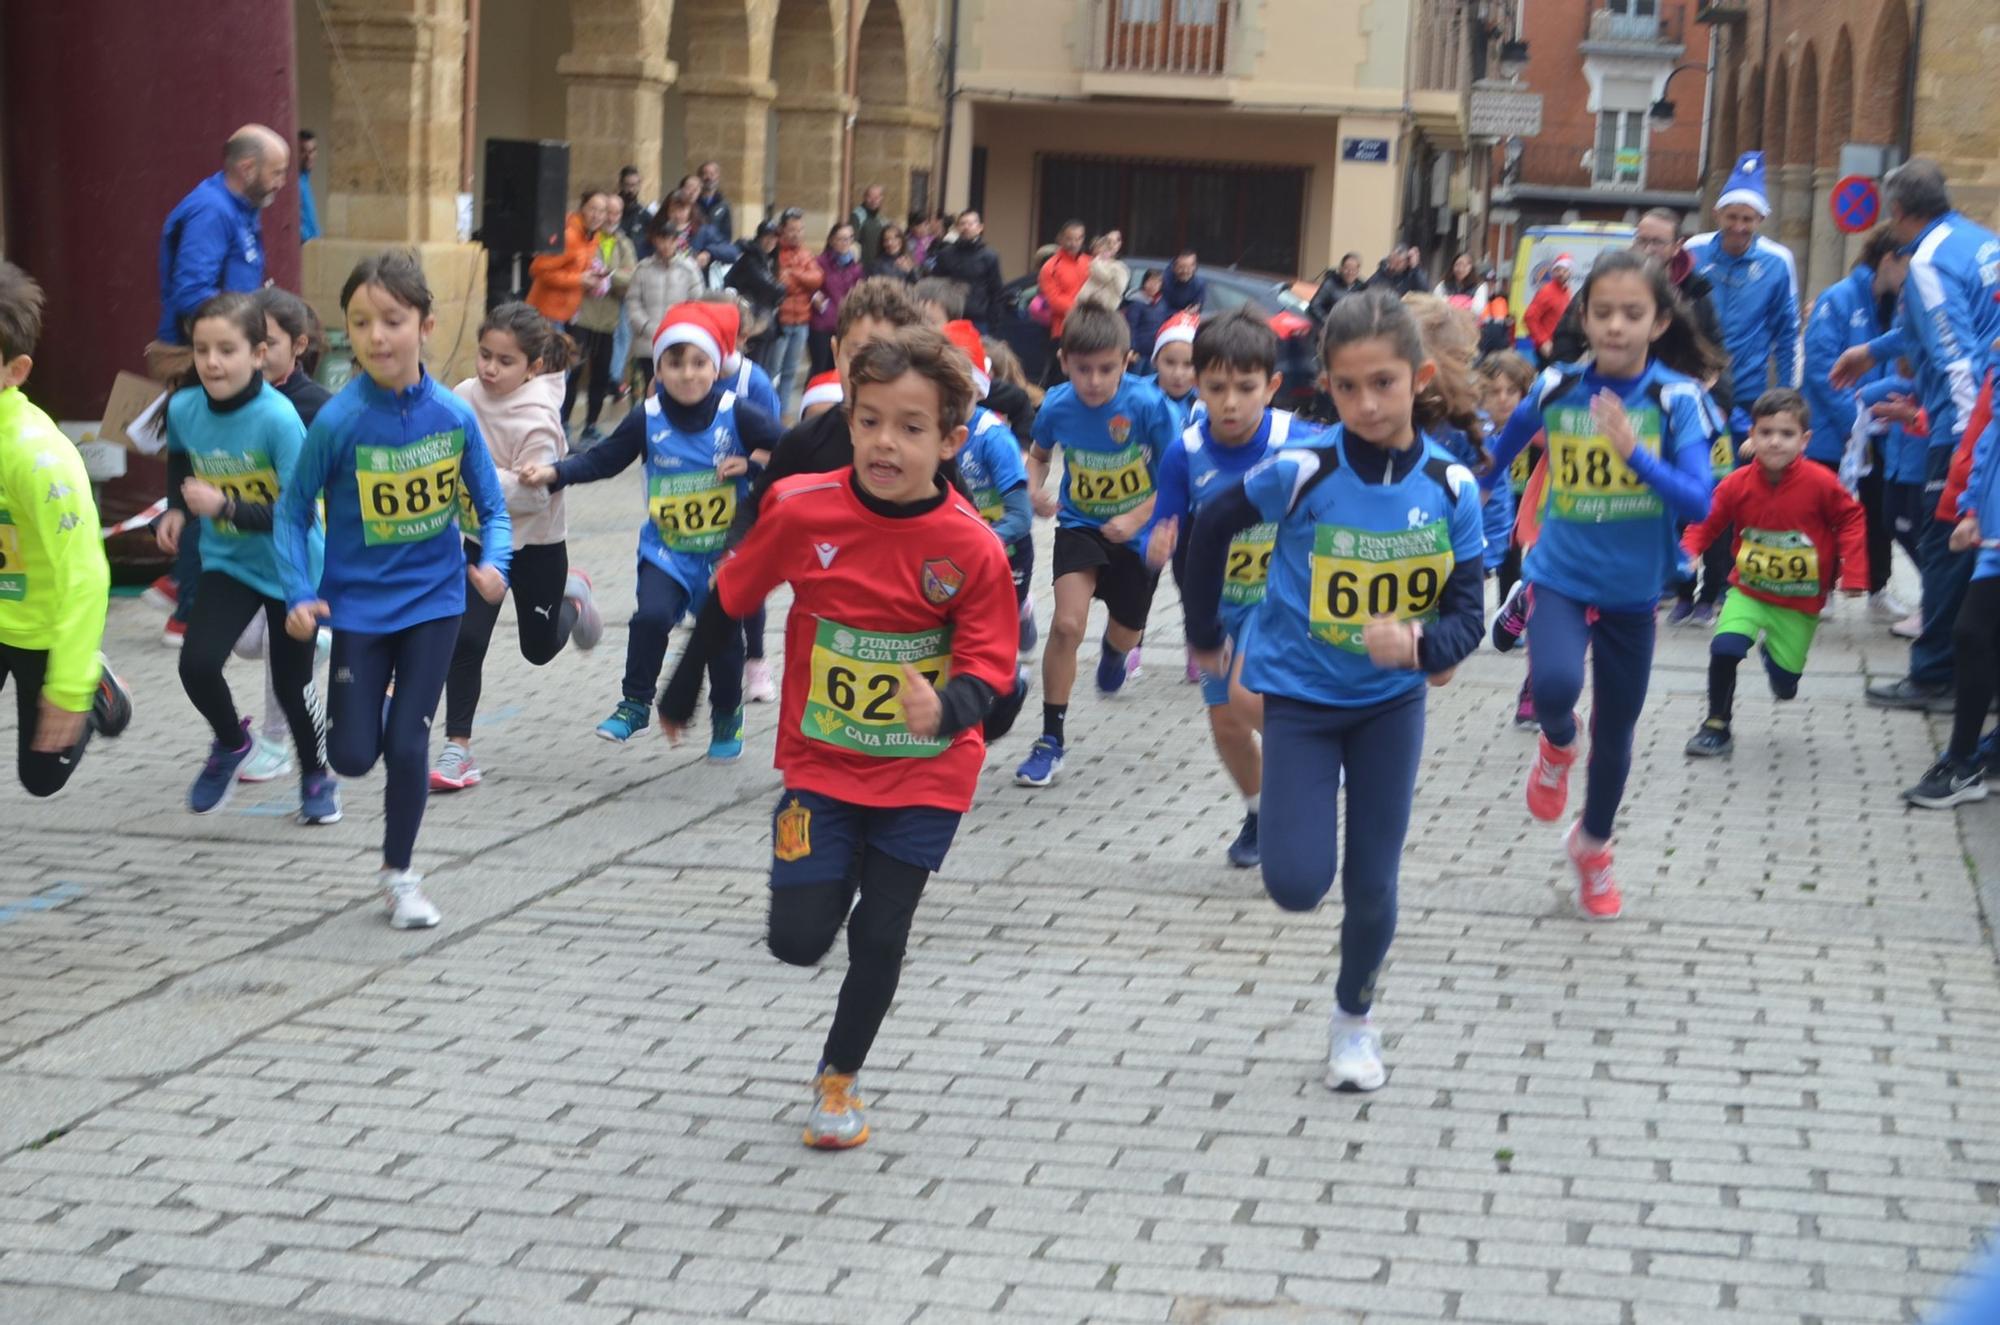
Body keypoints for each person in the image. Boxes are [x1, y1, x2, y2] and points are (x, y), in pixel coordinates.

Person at [657, 328, 1016, 1149]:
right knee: (797, 939)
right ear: (849, 421)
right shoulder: (801, 507)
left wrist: (950, 705)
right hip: (823, 761)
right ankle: (828, 853)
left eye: (912, 426)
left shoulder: (969, 545)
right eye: (870, 420)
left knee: (881, 932)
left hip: (927, 770)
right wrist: (679, 690)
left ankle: (839, 1078)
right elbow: (731, 593)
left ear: (951, 440)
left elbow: (993, 663)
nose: (886, 442)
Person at [1181, 289, 1485, 1091]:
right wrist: (1207, 630)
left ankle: (1355, 1018)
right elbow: (1211, 526)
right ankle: (1289, 821)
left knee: (1373, 881)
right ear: (1326, 386)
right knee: (1294, 883)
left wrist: (1423, 643)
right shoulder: (1303, 469)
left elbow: (1468, 615)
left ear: (1418, 378)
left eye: (1383, 383)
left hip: (1389, 706)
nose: (1365, 403)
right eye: (1347, 388)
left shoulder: (1453, 486)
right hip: (1303, 702)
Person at [1481, 250, 1725, 920]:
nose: (1617, 326)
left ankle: (1592, 846)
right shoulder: (1558, 385)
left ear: (1658, 321)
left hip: (1633, 590)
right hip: (1558, 571)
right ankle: (1558, 741)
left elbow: (1701, 501)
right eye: (1604, 312)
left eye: (1633, 313)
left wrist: (1634, 453)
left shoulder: (1679, 400)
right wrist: (1475, 476)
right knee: (1556, 687)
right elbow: (1507, 443)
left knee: (1617, 732)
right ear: (1583, 317)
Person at [275, 250, 513, 930]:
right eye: (360, 322)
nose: (377, 336)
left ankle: (400, 874)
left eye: (393, 320)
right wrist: (297, 592)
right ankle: (378, 701)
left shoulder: (452, 414)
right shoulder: (339, 421)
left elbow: (492, 508)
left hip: (437, 600)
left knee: (408, 744)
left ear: (427, 325)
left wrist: (496, 563)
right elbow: (293, 514)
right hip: (357, 609)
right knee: (351, 755)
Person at [520, 302, 778, 754]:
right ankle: (635, 704)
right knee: (652, 617)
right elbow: (604, 459)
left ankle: (726, 712)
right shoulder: (648, 416)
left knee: (720, 638)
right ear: (658, 367)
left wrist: (754, 462)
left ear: (715, 367)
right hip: (667, 550)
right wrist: (556, 473)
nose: (687, 374)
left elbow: (791, 446)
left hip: (725, 552)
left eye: (699, 363)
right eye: (674, 363)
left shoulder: (737, 412)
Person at [154, 292, 334, 821]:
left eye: (227, 350)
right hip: (229, 562)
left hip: (291, 566)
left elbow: (300, 512)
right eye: (202, 349)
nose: (212, 362)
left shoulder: (279, 420)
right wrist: (175, 509)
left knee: (291, 685)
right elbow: (181, 458)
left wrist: (225, 505)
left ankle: (317, 776)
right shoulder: (185, 407)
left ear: (258, 354)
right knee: (197, 663)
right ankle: (232, 743)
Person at [1833, 160, 2000, 713]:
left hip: (1966, 429)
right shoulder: (1978, 240)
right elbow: (1932, 325)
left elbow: (1956, 356)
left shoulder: (1926, 260)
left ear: (1897, 211)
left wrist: (1961, 441)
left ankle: (1934, 676)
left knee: (1944, 548)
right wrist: (1870, 352)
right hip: (1985, 419)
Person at [1141, 310, 1299, 867]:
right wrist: (1154, 547)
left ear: (1272, 386)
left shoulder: (1298, 441)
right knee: (1226, 725)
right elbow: (1164, 522)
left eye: (1245, 388)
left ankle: (1314, 753)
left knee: (1244, 695)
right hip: (1214, 604)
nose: (1230, 402)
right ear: (1196, 385)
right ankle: (1260, 813)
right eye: (1216, 388)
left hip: (1280, 602)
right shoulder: (1185, 451)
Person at [433, 304, 603, 791]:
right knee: (465, 641)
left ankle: (574, 599)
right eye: (484, 355)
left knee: (538, 649)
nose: (489, 368)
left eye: (504, 361)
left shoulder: (539, 418)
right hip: (477, 540)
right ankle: (457, 751)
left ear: (532, 366)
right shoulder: (464, 396)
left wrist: (478, 477)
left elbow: (533, 495)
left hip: (536, 547)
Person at [1014, 303, 1179, 787]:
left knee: (1126, 633)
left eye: (1106, 369)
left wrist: (1137, 517)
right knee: (1066, 625)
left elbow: (1178, 476)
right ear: (1064, 361)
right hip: (1081, 526)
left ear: (1127, 360)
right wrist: (1032, 485)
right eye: (1083, 369)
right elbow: (1040, 455)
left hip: (1138, 536)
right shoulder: (1058, 405)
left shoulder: (1149, 406)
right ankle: (1050, 740)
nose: (1094, 381)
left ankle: (1114, 653)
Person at [0, 262, 131, 798]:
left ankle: (99, 688)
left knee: (41, 778)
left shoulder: (40, 458)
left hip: (44, 632)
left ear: (16, 370)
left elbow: (86, 577)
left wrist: (70, 687)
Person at [1682, 389, 1865, 758]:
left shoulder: (1821, 482)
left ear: (1804, 439)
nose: (1775, 442)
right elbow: (1707, 517)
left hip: (1799, 602)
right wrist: (1689, 551)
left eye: (1786, 434)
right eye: (1765, 433)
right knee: (1725, 647)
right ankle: (1716, 723)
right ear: (1751, 435)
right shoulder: (1737, 482)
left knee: (1786, 685)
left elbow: (1851, 518)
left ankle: (1777, 663)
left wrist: (1855, 573)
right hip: (1748, 590)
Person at [1682, 153, 1802, 623]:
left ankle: (1717, 587)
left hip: (1746, 397)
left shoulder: (1777, 262)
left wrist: (1788, 397)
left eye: (1748, 219)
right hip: (1694, 393)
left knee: (1728, 489)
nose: (1738, 227)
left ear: (1760, 219)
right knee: (1686, 484)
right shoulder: (1692, 253)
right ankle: (1680, 583)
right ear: (1718, 215)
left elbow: (1788, 331)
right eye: (1732, 217)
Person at [225, 288, 333, 785]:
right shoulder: (228, 397)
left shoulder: (315, 407)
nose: (259, 353)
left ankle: (275, 742)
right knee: (246, 642)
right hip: (245, 549)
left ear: (299, 345)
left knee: (276, 637)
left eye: (268, 342)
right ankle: (321, 639)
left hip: (303, 551)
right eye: (251, 341)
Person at [1801, 227, 1910, 622]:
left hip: (1883, 433)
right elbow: (1820, 370)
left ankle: (1878, 587)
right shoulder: (1838, 299)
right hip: (1836, 432)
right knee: (1827, 512)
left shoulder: (1903, 305)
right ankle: (1822, 587)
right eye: (1908, 264)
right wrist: (1855, 422)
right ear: (1888, 259)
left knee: (1879, 513)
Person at [155, 125, 289, 357]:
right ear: (247, 168)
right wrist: (249, 319)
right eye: (276, 173)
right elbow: (192, 293)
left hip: (231, 347)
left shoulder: (243, 206)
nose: (282, 182)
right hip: (199, 355)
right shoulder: (212, 210)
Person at [1479, 348, 1543, 731]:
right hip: (1494, 519)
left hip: (1539, 513)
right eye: (1494, 391)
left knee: (1527, 570)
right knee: (1509, 561)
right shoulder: (1477, 429)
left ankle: (1519, 601)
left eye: (1511, 392)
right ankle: (1515, 603)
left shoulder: (1536, 425)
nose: (1503, 399)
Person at [528, 190, 608, 427]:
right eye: (593, 208)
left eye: (602, 211)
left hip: (568, 314)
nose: (597, 215)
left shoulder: (592, 237)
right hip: (547, 313)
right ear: (582, 208)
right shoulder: (571, 235)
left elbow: (575, 269)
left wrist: (592, 278)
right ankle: (546, 428)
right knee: (555, 374)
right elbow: (539, 269)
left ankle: (555, 429)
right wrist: (580, 280)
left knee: (562, 373)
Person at [571, 195, 637, 444]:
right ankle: (565, 423)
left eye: (616, 213)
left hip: (608, 320)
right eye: (607, 212)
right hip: (582, 316)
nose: (611, 217)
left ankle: (591, 426)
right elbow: (579, 272)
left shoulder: (624, 243)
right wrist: (610, 279)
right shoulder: (588, 239)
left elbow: (631, 279)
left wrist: (607, 276)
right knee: (573, 372)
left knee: (600, 375)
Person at [625, 211, 706, 394]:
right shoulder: (643, 268)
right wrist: (648, 327)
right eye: (662, 240)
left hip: (678, 340)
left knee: (675, 390)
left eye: (670, 240)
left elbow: (697, 302)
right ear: (655, 241)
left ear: (677, 241)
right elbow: (633, 302)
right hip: (648, 342)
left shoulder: (689, 268)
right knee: (650, 390)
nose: (666, 245)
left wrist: (676, 327)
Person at [775, 210, 824, 417]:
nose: (797, 233)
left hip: (802, 320)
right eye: (792, 229)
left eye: (800, 229)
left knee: (790, 372)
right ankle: (771, 412)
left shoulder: (806, 253)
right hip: (781, 320)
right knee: (773, 372)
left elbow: (817, 279)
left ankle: (783, 414)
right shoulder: (776, 253)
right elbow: (782, 285)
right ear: (783, 230)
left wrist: (794, 274)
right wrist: (803, 282)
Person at [927, 210, 1005, 331]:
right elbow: (935, 283)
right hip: (950, 316)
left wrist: (994, 320)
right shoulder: (945, 254)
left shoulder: (989, 256)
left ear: (980, 228)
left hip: (978, 318)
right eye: (962, 223)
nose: (966, 227)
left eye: (971, 223)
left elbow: (996, 290)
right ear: (957, 227)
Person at [728, 219, 786, 369]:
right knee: (752, 368)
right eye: (767, 236)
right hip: (752, 322)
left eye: (774, 238)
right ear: (759, 237)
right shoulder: (751, 258)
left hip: (763, 321)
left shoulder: (767, 259)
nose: (771, 241)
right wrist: (782, 288)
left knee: (764, 367)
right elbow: (770, 286)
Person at [810, 223, 866, 376]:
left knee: (836, 370)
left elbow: (859, 292)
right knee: (819, 370)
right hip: (822, 323)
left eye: (848, 239)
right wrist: (814, 297)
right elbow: (809, 286)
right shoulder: (819, 262)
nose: (845, 243)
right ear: (832, 240)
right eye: (840, 239)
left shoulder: (855, 267)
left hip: (843, 324)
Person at [1036, 220, 1092, 362]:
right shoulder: (1050, 267)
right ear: (1060, 238)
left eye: (1078, 238)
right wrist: (1083, 310)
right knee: (1062, 375)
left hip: (1090, 328)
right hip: (1062, 330)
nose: (1073, 243)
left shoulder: (1090, 263)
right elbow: (1054, 300)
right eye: (1069, 238)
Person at [1149, 310, 1200, 430]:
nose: (1178, 374)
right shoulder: (1137, 396)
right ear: (1155, 360)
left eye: (1188, 364)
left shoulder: (1203, 406)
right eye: (1170, 362)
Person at [1521, 254, 1574, 365]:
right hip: (1548, 350)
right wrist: (1543, 342)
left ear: (1570, 272)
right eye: (1558, 269)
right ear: (1553, 272)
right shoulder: (1546, 292)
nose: (1561, 273)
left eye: (1565, 270)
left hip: (1560, 348)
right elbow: (1529, 317)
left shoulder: (1567, 291)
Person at [1076, 233, 1130, 314]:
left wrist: (1096, 264)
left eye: (1104, 249)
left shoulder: (1119, 267)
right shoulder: (1090, 263)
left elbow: (1119, 288)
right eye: (1097, 248)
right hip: (1086, 307)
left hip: (1106, 310)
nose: (1100, 251)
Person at [1124, 269, 1170, 362]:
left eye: (1157, 283)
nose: (1153, 286)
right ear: (1144, 282)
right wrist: (1132, 348)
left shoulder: (1162, 302)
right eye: (1151, 281)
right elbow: (1131, 327)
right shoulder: (1137, 301)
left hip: (1154, 352)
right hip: (1138, 352)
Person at [1308, 252, 1368, 323]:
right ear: (1341, 269)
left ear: (1358, 271)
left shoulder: (1362, 287)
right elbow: (1315, 306)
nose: (1350, 272)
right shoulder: (1330, 284)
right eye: (1347, 268)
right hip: (1330, 328)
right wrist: (1326, 321)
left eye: (1354, 269)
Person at [694, 160, 733, 244]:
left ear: (717, 177)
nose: (709, 177)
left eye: (712, 174)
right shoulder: (693, 202)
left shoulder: (724, 204)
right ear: (699, 177)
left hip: (716, 248)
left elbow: (727, 234)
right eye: (705, 174)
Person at [615, 166, 653, 249]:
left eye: (634, 185)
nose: (631, 190)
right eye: (627, 185)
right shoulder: (612, 209)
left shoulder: (643, 213)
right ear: (621, 185)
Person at [850, 183, 888, 265]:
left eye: (877, 197)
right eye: (870, 197)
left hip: (878, 264)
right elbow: (852, 243)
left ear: (881, 198)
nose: (873, 200)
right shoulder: (857, 216)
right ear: (864, 198)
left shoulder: (881, 218)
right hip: (862, 266)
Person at [297, 129, 320, 244]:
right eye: (303, 151)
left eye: (312, 151)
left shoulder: (304, 180)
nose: (309, 156)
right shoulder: (292, 183)